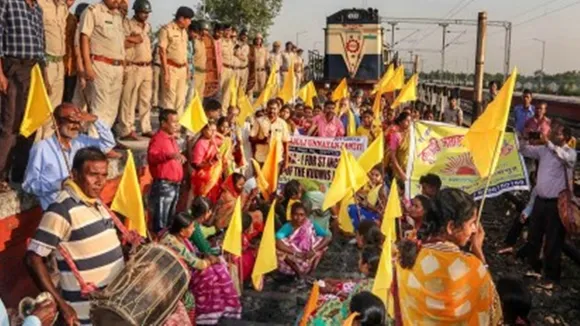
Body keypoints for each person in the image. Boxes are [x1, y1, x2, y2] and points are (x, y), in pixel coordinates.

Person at [26, 147, 126, 326]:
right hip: (86, 315)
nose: (100, 182)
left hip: (111, 310)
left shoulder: (97, 203)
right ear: (75, 174)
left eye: (104, 175)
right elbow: (33, 258)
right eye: (93, 175)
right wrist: (62, 304)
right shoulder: (62, 209)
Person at [396, 188, 502, 325]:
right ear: (451, 227)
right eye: (471, 223)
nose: (475, 229)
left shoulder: (405, 258)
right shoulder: (473, 268)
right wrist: (478, 251)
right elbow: (491, 309)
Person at [23, 103, 115, 211]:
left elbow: (108, 144)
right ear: (57, 123)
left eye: (78, 122)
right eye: (71, 121)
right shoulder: (42, 148)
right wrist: (59, 184)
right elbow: (29, 185)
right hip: (57, 210)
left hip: (82, 207)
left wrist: (95, 120)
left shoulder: (81, 141)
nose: (76, 126)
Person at [519, 124, 577, 287]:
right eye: (552, 132)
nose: (551, 135)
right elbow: (524, 150)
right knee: (534, 236)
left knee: (553, 241)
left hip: (555, 204)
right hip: (540, 201)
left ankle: (551, 277)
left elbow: (565, 159)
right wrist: (524, 139)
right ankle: (535, 268)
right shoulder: (544, 150)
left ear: (565, 137)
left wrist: (548, 143)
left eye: (556, 133)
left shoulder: (569, 152)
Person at [161, 209, 241, 325]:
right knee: (195, 294)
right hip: (173, 278)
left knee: (216, 270)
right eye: (192, 227)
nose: (194, 230)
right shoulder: (177, 245)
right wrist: (210, 260)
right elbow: (199, 264)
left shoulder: (169, 236)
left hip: (177, 271)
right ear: (182, 231)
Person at [0, 0, 45, 191]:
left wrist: (45, 79)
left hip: (34, 69)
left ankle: (19, 174)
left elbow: (41, 45)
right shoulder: (8, 3)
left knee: (31, 124)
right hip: (13, 66)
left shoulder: (37, 9)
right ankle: (1, 175)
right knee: (10, 125)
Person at [79, 0, 126, 135]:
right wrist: (87, 65)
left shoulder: (118, 15)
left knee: (112, 109)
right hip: (100, 64)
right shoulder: (93, 11)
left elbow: (119, 44)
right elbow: (84, 38)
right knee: (100, 107)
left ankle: (104, 143)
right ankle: (94, 143)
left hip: (117, 66)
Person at [307, 246, 381, 325]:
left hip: (349, 312)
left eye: (360, 259)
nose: (358, 261)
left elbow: (353, 304)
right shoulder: (377, 280)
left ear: (366, 266)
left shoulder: (365, 287)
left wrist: (333, 291)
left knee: (320, 303)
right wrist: (336, 282)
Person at [117, 0, 153, 140]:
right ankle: (126, 128)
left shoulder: (148, 27)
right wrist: (133, 39)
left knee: (145, 99)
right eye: (143, 12)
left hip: (147, 66)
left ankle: (146, 127)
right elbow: (120, 43)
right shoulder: (127, 24)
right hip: (133, 65)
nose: (145, 15)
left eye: (147, 13)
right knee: (129, 99)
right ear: (136, 11)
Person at [147, 109, 185, 233]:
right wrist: (168, 155)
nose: (176, 125)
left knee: (169, 219)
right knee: (161, 221)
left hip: (174, 185)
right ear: (163, 123)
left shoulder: (171, 139)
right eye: (173, 122)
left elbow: (173, 156)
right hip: (164, 185)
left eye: (177, 122)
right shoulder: (158, 138)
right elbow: (152, 157)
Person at [276, 202, 332, 283]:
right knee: (279, 248)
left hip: (309, 257)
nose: (298, 218)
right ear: (291, 215)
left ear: (306, 216)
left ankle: (312, 272)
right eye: (296, 214)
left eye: (302, 215)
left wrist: (314, 250)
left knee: (322, 241)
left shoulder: (310, 224)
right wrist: (296, 253)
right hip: (294, 261)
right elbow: (278, 242)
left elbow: (327, 237)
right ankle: (299, 273)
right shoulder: (288, 227)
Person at [37, 0, 69, 140]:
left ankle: (48, 142)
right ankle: (36, 145)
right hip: (45, 62)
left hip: (59, 62)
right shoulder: (40, 4)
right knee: (41, 106)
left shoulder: (63, 7)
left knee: (55, 108)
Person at [158, 6, 193, 115]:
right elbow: (162, 51)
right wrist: (166, 72)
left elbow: (184, 53)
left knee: (180, 99)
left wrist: (187, 69)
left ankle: (176, 126)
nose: (190, 22)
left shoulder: (184, 32)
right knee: (170, 99)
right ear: (181, 18)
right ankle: (168, 127)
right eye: (189, 19)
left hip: (182, 69)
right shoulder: (167, 30)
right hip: (171, 68)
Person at [249, 99, 290, 166]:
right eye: (270, 108)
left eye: (274, 109)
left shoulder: (282, 123)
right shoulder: (259, 121)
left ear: (278, 110)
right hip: (261, 158)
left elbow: (286, 142)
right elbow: (251, 138)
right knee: (260, 177)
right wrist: (262, 141)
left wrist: (286, 161)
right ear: (267, 109)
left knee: (275, 177)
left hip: (276, 159)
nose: (272, 111)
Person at [191, 121, 223, 203]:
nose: (213, 132)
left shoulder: (213, 141)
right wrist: (212, 162)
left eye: (215, 130)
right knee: (203, 203)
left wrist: (216, 134)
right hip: (204, 179)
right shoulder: (201, 144)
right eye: (210, 130)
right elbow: (196, 164)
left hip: (213, 177)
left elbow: (224, 140)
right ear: (203, 131)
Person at [348, 166, 389, 230]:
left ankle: (358, 232)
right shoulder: (374, 186)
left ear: (382, 176)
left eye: (377, 175)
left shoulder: (382, 189)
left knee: (352, 208)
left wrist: (366, 204)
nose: (373, 177)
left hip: (375, 216)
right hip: (369, 211)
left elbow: (382, 210)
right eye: (372, 174)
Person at [387, 112, 412, 182]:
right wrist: (401, 172)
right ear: (400, 122)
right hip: (399, 171)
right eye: (407, 121)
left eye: (410, 121)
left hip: (410, 169)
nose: (409, 123)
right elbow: (392, 156)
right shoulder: (395, 136)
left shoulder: (412, 135)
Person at [193, 21, 209, 98]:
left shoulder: (203, 42)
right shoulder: (194, 42)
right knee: (192, 95)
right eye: (205, 30)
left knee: (200, 97)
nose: (206, 32)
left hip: (203, 73)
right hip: (195, 72)